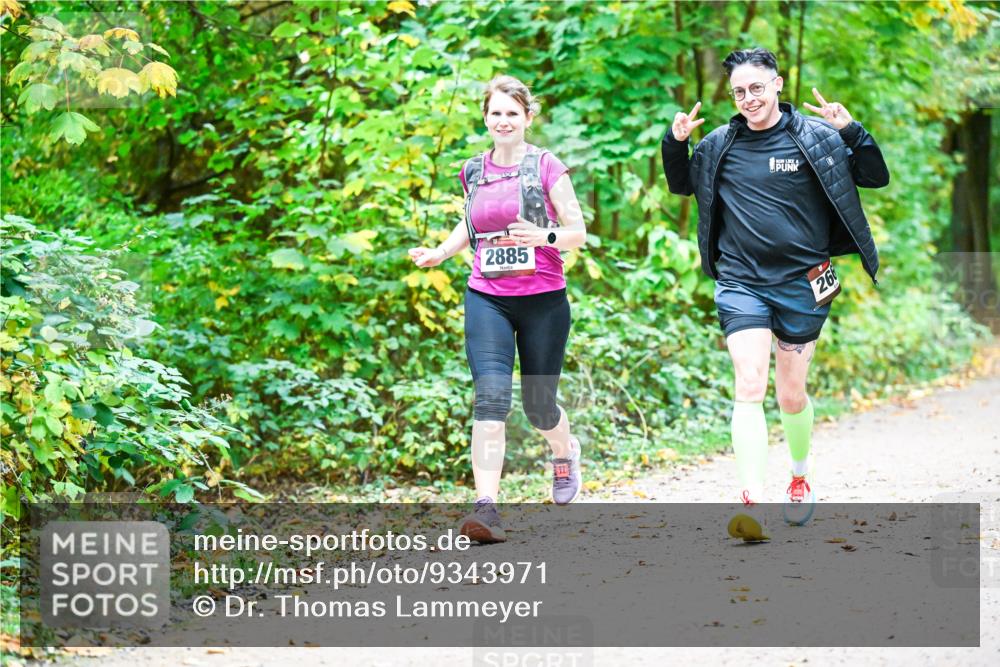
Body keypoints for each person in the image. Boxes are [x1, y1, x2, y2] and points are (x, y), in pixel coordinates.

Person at [661, 48, 889, 536]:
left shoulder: (817, 139)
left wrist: (851, 131)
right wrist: (675, 141)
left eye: (757, 88)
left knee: (789, 395)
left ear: (778, 84)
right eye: (739, 91)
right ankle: (750, 501)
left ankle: (800, 477)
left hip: (803, 282)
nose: (749, 99)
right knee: (748, 384)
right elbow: (683, 185)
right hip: (741, 280)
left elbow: (875, 176)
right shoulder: (719, 144)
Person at [408, 76, 587, 543]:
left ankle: (564, 452)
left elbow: (577, 231)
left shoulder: (548, 166)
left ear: (529, 117)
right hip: (487, 295)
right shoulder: (473, 170)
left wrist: (543, 237)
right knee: (490, 398)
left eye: (512, 113)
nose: (503, 121)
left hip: (543, 299)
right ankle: (486, 509)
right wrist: (439, 254)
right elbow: (468, 225)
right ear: (485, 119)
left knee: (538, 406)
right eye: (495, 113)